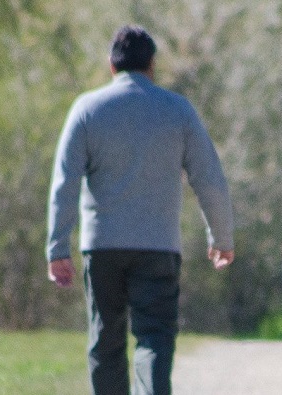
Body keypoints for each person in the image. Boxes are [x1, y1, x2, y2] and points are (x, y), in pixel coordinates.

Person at [45, 25, 235, 395]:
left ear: (111, 65)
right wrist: (222, 237)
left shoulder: (87, 109)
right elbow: (209, 178)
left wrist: (57, 247)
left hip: (102, 247)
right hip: (158, 247)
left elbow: (64, 183)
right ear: (152, 64)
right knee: (154, 338)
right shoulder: (177, 110)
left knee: (106, 340)